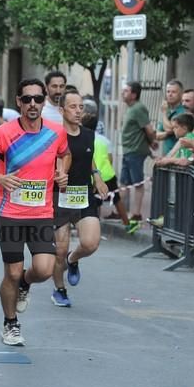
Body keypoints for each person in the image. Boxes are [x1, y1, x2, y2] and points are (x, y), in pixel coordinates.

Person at [0, 78, 70, 346]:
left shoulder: (56, 132)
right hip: (9, 212)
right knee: (12, 272)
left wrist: (62, 172)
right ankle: (10, 324)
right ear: (18, 101)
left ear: (44, 102)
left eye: (38, 99)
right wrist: (0, 178)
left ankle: (26, 285)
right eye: (26, 99)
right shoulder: (3, 134)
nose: (32, 104)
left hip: (41, 212)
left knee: (43, 269)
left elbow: (65, 154)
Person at [50, 91, 108, 308]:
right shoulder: (54, 135)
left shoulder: (88, 134)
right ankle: (59, 290)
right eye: (72, 107)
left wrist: (97, 176)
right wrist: (58, 175)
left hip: (83, 195)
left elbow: (88, 154)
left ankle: (72, 261)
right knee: (59, 249)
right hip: (59, 197)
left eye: (81, 107)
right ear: (61, 110)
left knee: (91, 243)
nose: (77, 111)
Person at [120, 81, 157, 233]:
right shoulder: (131, 109)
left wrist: (151, 142)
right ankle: (121, 210)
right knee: (124, 182)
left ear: (134, 94)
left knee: (138, 183)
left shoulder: (139, 108)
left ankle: (136, 213)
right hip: (128, 150)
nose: (123, 93)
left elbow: (148, 129)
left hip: (136, 151)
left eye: (126, 91)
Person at [156, 79, 187, 155]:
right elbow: (157, 135)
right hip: (166, 154)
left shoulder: (183, 111)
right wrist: (169, 132)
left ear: (181, 94)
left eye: (173, 92)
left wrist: (163, 113)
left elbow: (169, 129)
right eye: (168, 91)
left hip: (179, 155)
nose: (170, 94)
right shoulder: (168, 111)